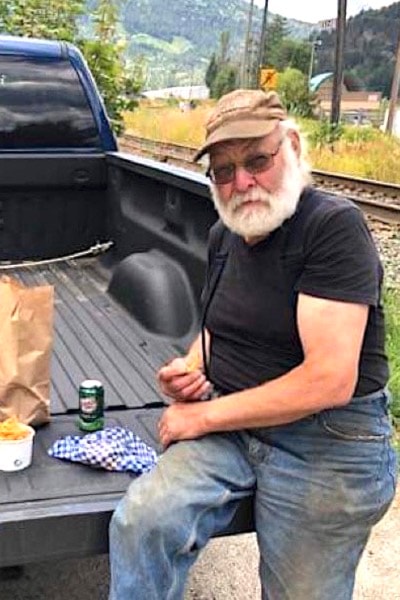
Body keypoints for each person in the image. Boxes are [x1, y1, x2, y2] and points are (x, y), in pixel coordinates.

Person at [109, 89, 397, 600]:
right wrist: (191, 365)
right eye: (224, 170)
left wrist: (202, 416)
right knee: (143, 522)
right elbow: (219, 327)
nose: (241, 182)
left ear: (293, 146)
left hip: (327, 439)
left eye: (257, 161)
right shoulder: (225, 236)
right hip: (237, 424)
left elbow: (330, 379)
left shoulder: (331, 227)